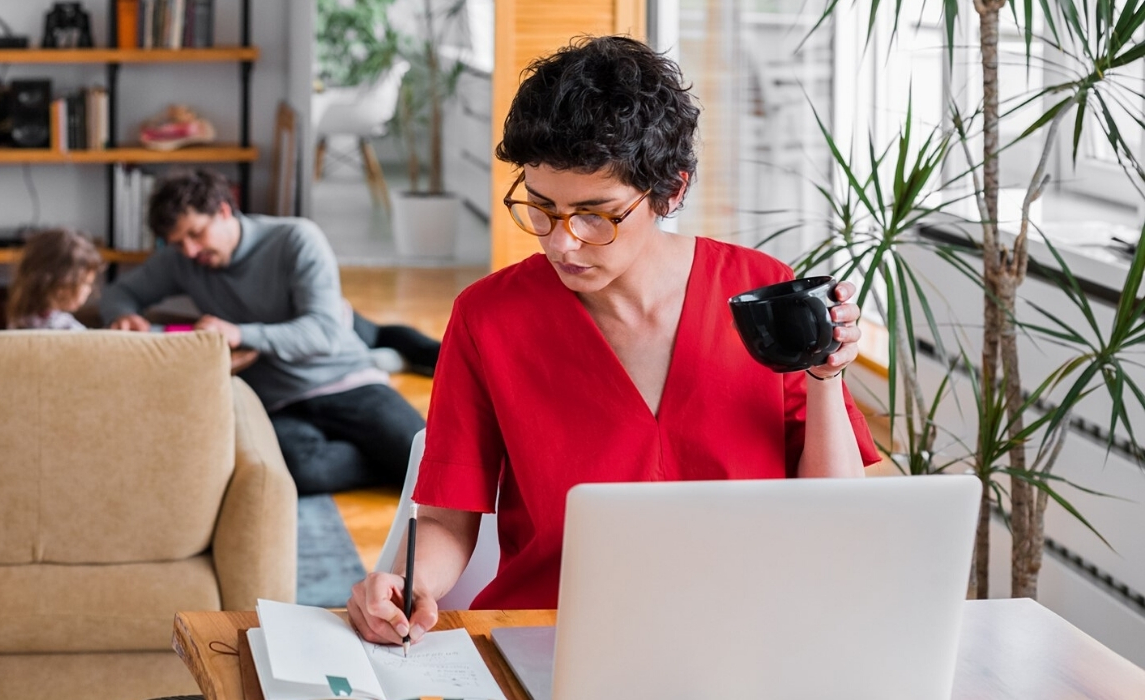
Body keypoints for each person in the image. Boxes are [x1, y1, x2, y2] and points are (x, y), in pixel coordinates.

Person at [347, 36, 882, 646]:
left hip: (744, 637)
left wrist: (826, 378)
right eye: (540, 207)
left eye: (595, 214)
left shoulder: (763, 294)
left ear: (672, 191)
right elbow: (448, 516)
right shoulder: (487, 318)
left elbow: (836, 515)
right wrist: (406, 583)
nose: (561, 242)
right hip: (552, 637)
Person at [99, 170, 426, 495]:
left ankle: (394, 402)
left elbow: (324, 334)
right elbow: (117, 293)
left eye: (196, 234)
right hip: (278, 402)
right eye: (177, 243)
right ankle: (387, 461)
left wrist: (240, 334)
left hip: (345, 380)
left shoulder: (296, 239)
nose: (189, 251)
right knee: (301, 472)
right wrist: (124, 315)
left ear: (224, 211)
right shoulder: (181, 260)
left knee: (427, 466)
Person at [7, 228, 103, 330]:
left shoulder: (18, 320)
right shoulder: (68, 327)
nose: (90, 290)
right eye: (86, 283)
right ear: (61, 285)